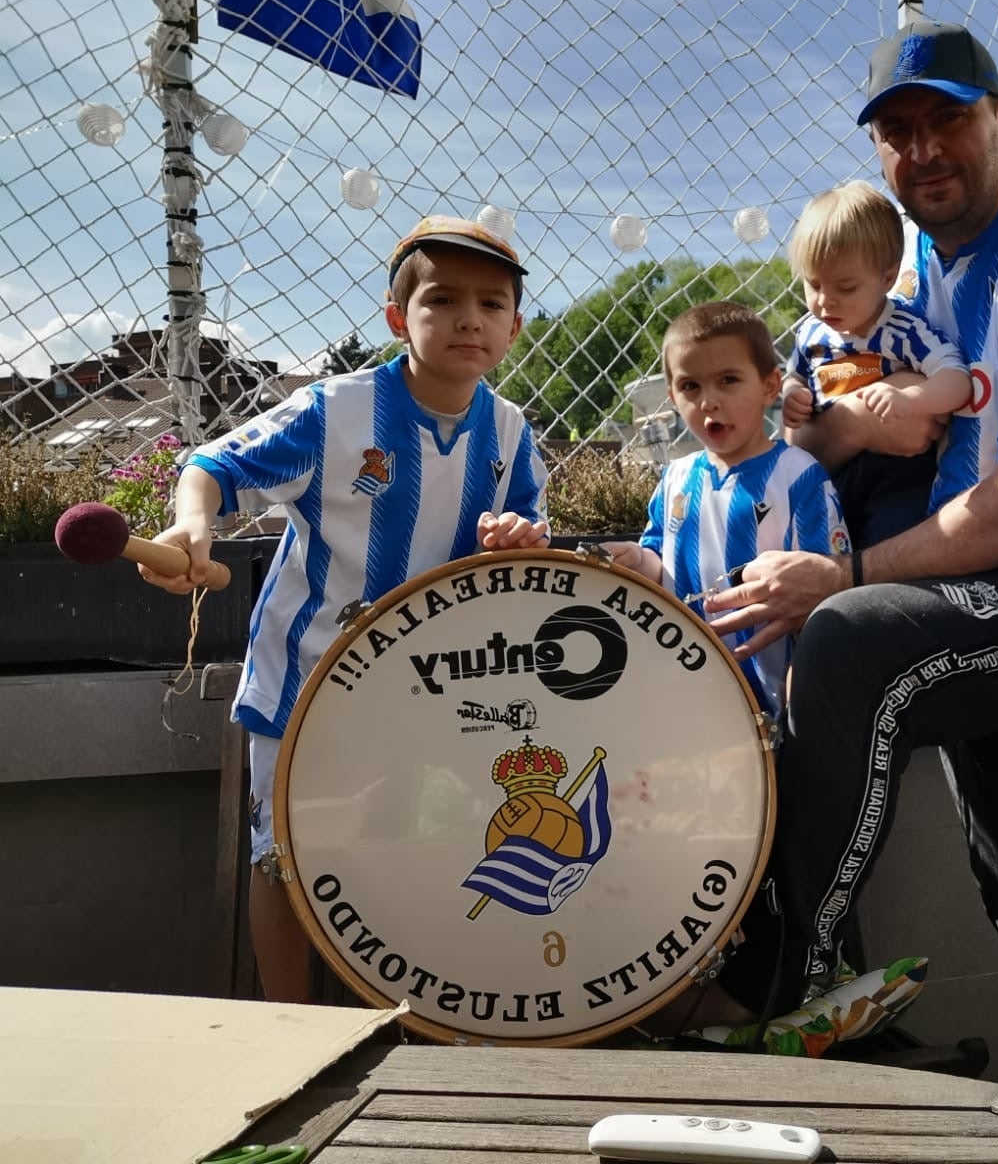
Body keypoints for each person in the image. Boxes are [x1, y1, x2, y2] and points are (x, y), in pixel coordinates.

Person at [703, 21, 998, 1102]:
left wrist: (852, 576)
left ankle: (796, 988)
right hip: (979, 595)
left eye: (946, 120)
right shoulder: (913, 273)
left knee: (848, 638)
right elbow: (837, 434)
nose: (923, 150)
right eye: (897, 132)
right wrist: (856, 423)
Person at [140, 215, 551, 1004]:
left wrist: (519, 539)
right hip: (308, 678)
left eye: (491, 304)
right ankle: (289, 1026)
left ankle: (402, 1019)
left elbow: (530, 533)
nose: (469, 319)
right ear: (399, 317)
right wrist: (194, 523)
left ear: (515, 327)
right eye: (443, 300)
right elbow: (212, 466)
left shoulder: (509, 430)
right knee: (285, 857)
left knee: (401, 853)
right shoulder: (334, 411)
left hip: (434, 689)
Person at [603, 301, 850, 718]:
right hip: (684, 695)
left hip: (776, 700)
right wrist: (636, 560)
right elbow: (661, 565)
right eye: (690, 386)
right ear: (672, 397)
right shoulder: (675, 478)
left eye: (728, 380)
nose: (709, 401)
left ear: (770, 387)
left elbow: (822, 589)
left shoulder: (799, 476)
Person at [782, 180, 970, 547]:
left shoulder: (903, 330)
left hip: (897, 472)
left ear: (887, 277)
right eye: (814, 284)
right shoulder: (810, 333)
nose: (825, 301)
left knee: (892, 547)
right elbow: (795, 375)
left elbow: (956, 378)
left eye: (845, 288)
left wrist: (913, 398)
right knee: (822, 546)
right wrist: (793, 395)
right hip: (831, 473)